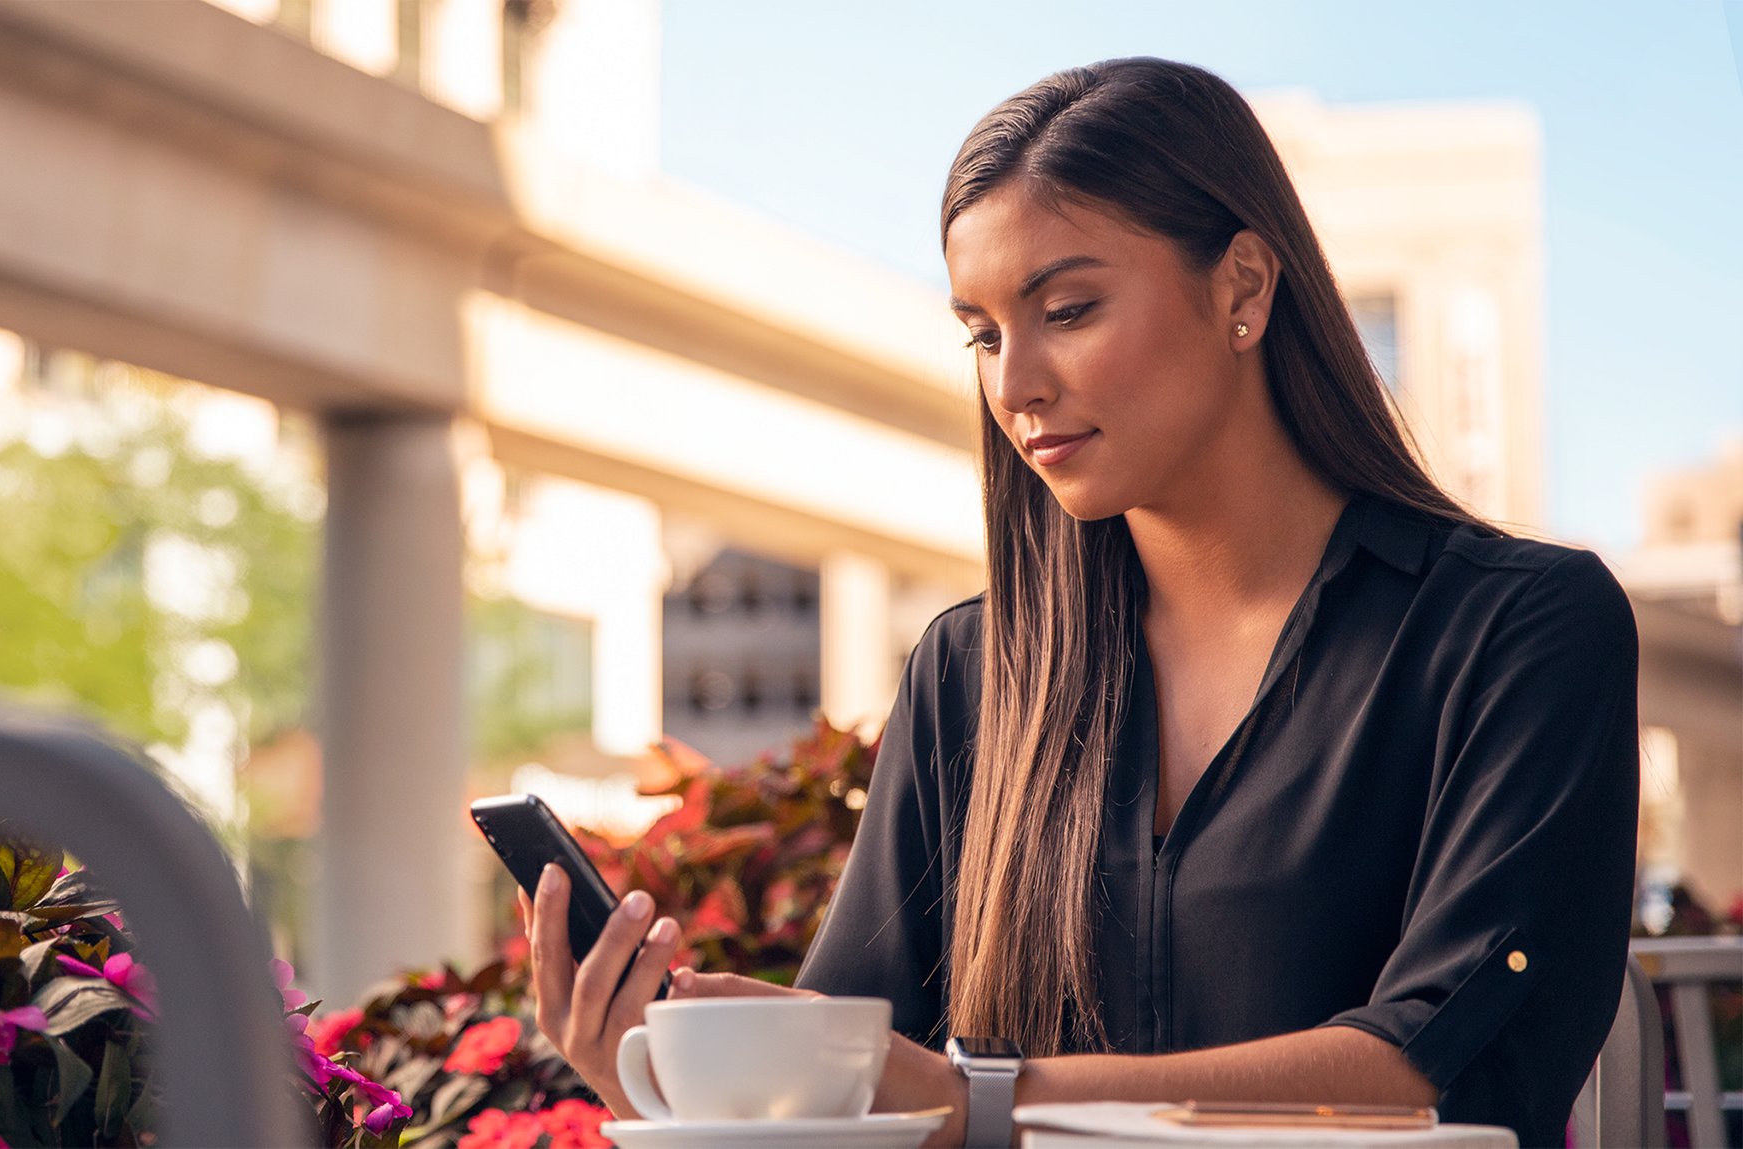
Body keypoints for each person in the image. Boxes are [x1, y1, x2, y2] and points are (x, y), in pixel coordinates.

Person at [519, 57, 1639, 1148]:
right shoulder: (971, 674)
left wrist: (983, 1099)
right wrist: (660, 1077)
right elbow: (861, 1093)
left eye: (1066, 309)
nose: (1013, 386)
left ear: (1241, 287)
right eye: (982, 333)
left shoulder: (1519, 631)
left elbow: (1430, 1073)